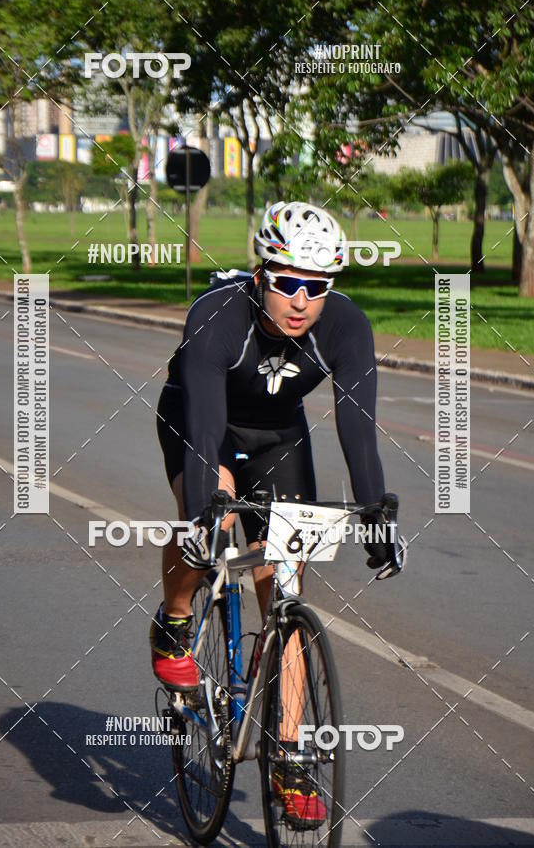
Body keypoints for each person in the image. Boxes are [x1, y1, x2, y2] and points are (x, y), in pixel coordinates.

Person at [151, 201, 391, 826]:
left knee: (284, 582)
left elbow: (358, 428)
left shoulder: (346, 326)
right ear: (261, 274)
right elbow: (202, 428)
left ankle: (288, 758)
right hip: (199, 421)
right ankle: (175, 621)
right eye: (287, 282)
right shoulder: (217, 316)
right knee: (208, 519)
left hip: (279, 439)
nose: (301, 300)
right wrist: (209, 504)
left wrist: (379, 515)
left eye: (317, 286)